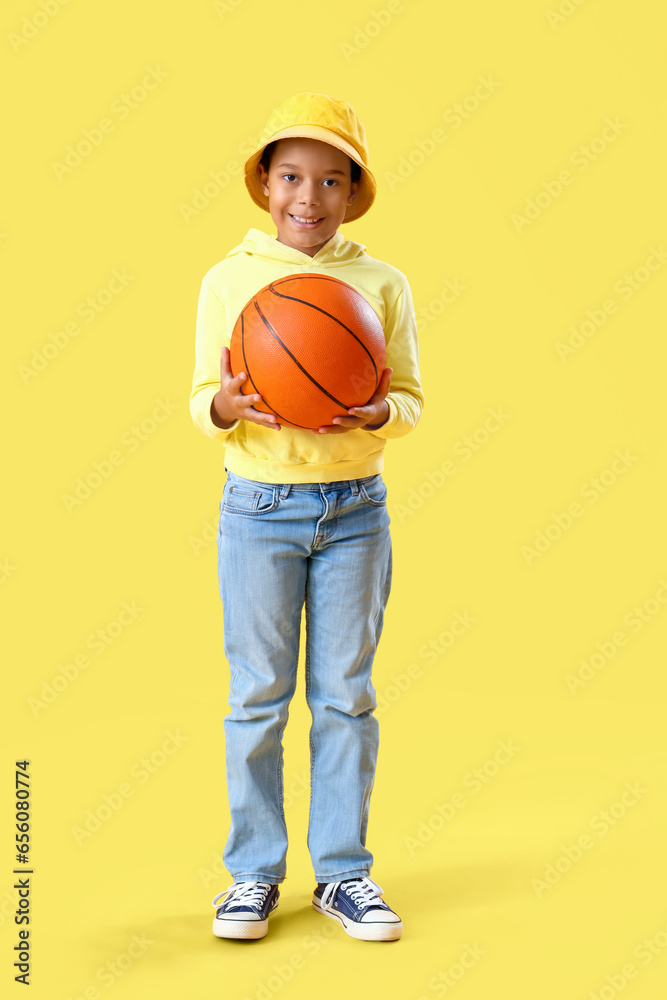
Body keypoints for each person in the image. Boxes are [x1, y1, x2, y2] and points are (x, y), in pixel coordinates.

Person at [189, 92, 424, 942]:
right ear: (264, 184)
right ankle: (250, 875)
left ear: (352, 190)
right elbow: (196, 403)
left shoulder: (380, 283)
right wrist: (223, 401)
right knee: (256, 695)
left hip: (356, 509)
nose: (308, 197)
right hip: (256, 510)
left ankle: (342, 876)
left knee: (345, 698)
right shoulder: (227, 279)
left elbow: (410, 398)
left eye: (330, 180)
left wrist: (378, 414)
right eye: (290, 175)